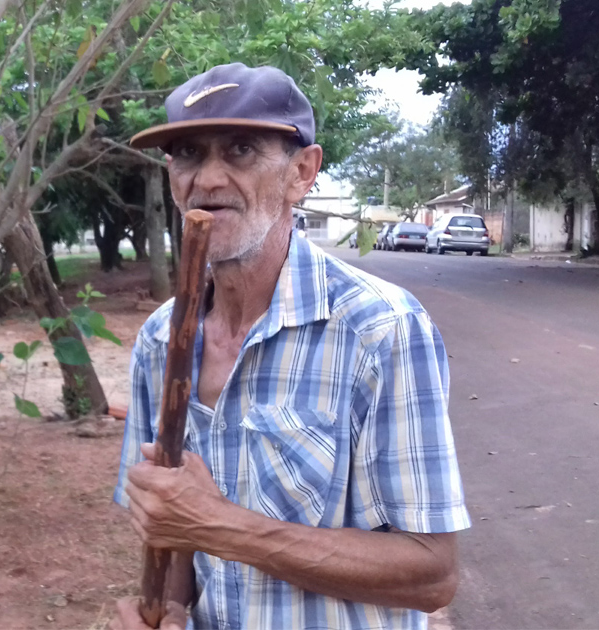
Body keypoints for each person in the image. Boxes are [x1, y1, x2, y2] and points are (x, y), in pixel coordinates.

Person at [111, 63, 470, 629]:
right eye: (188, 154)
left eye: (241, 150)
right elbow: (174, 523)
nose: (207, 179)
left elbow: (431, 574)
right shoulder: (161, 339)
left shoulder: (381, 329)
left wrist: (222, 525)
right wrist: (170, 609)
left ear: (302, 173)